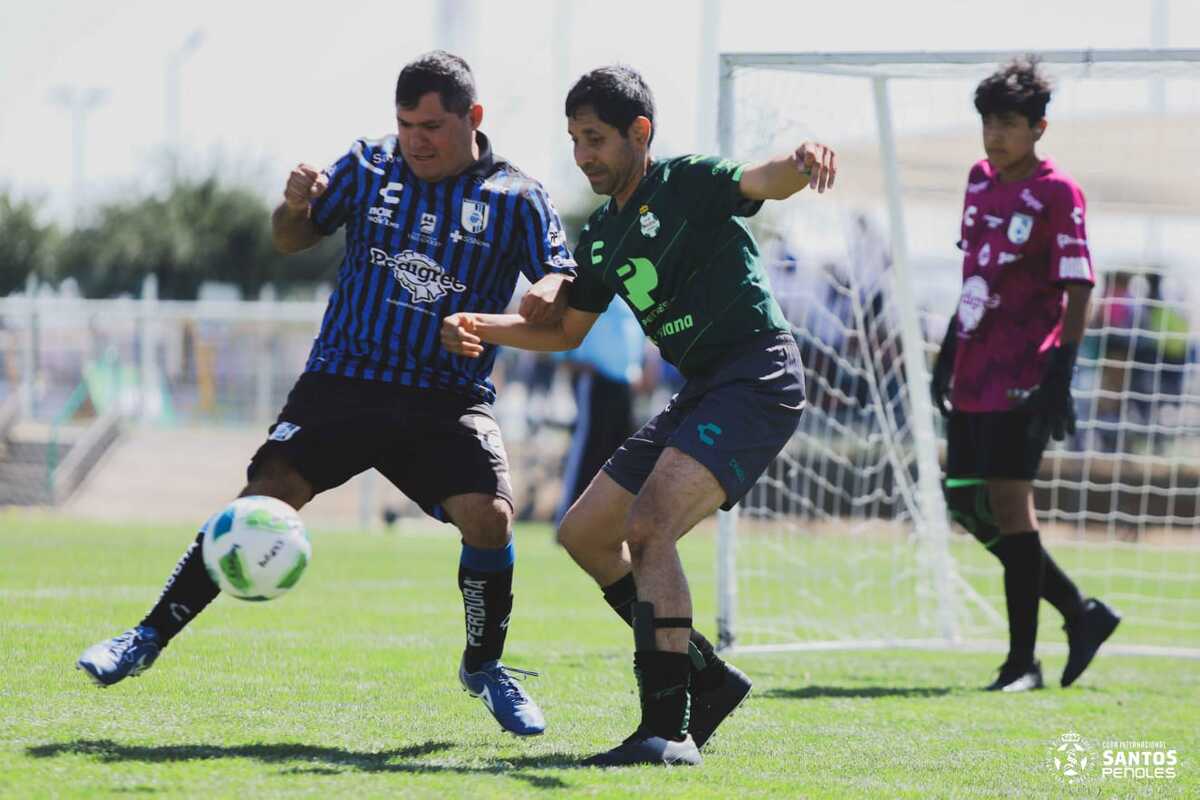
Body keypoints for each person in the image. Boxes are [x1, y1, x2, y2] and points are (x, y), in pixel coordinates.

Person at [76, 51, 577, 737]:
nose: (416, 140)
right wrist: (292, 205)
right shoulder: (369, 166)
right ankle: (142, 639)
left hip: (445, 397)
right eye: (406, 124)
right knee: (261, 499)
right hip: (344, 380)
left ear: (473, 118)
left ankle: (486, 668)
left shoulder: (517, 197)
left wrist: (547, 288)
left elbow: (559, 280)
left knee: (490, 518)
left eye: (431, 125)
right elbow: (291, 239)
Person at [442, 65, 836, 765]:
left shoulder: (684, 182)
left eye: (595, 138)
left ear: (639, 133)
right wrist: (485, 324)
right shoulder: (599, 238)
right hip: (703, 388)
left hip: (756, 375)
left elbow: (760, 178)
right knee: (587, 534)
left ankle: (668, 730)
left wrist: (802, 162)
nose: (583, 154)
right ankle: (706, 677)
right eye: (574, 140)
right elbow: (565, 332)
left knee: (650, 527)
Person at [929, 56, 1120, 693]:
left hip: (1025, 371)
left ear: (1039, 127)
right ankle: (1078, 611)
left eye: (1008, 123)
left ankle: (1023, 663)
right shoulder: (978, 181)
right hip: (975, 368)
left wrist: (1061, 372)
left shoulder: (1058, 192)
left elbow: (1079, 287)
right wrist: (948, 353)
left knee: (1011, 503)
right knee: (962, 497)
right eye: (988, 122)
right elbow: (975, 276)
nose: (994, 135)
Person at [554, 300, 648, 526]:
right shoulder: (595, 275)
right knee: (588, 446)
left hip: (625, 381)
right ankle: (568, 521)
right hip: (593, 375)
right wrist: (567, 360)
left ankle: (606, 524)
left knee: (619, 452)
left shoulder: (630, 291)